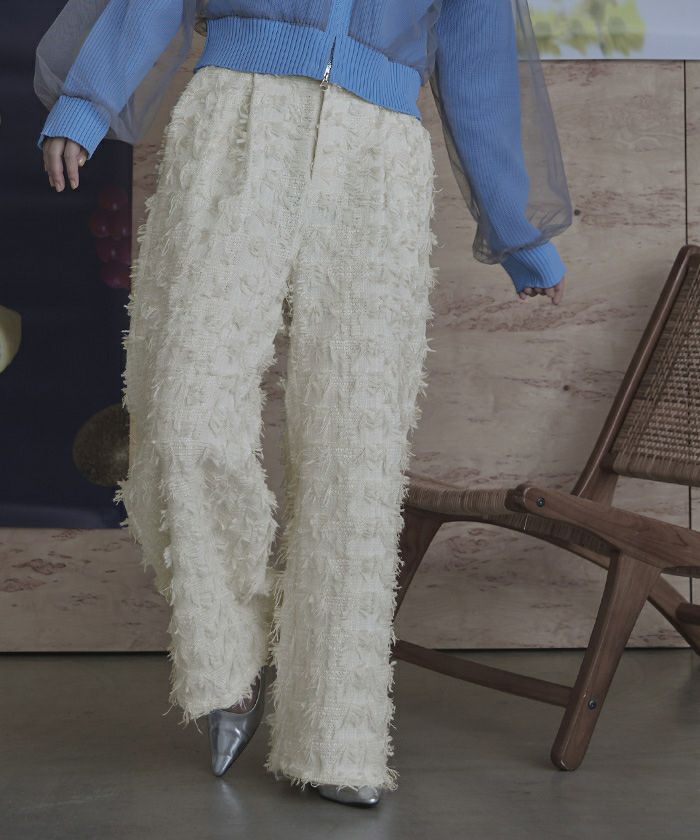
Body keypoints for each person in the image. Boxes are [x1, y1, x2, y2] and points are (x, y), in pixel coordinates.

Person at [35, 0, 572, 808]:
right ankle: (231, 657)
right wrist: (88, 98)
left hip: (378, 161)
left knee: (356, 462)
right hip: (235, 122)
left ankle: (337, 737)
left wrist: (516, 229)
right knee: (182, 420)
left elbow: (477, 56)